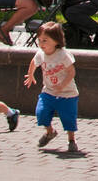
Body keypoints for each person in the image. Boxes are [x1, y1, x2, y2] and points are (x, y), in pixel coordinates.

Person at [25, 22, 80, 152]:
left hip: (67, 93)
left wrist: (62, 85)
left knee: (68, 119)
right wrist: (30, 74)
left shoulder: (63, 55)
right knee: (41, 113)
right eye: (39, 40)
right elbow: (34, 62)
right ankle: (50, 132)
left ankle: (71, 140)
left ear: (56, 41)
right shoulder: (41, 54)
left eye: (45, 40)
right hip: (48, 91)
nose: (41, 43)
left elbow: (72, 72)